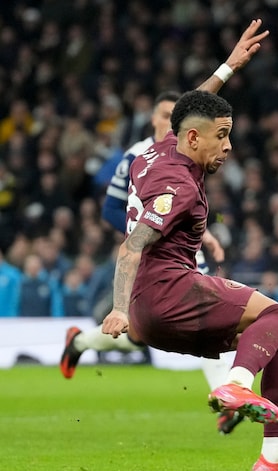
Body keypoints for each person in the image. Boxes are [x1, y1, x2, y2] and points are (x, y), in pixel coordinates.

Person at [59, 19, 267, 436]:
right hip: (147, 250)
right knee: (146, 330)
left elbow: (198, 107)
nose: (164, 120)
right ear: (154, 120)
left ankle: (228, 396)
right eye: (159, 114)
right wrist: (147, 234)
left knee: (169, 327)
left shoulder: (180, 146)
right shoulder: (140, 154)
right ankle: (230, 391)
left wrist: (228, 68)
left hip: (178, 247)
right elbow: (114, 210)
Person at [100, 88, 278, 471]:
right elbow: (131, 246)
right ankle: (235, 385)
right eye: (222, 135)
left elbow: (190, 109)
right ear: (194, 138)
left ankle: (274, 460)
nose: (229, 145)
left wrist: (229, 67)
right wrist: (117, 308)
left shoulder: (155, 152)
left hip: (149, 313)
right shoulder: (177, 187)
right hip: (169, 293)